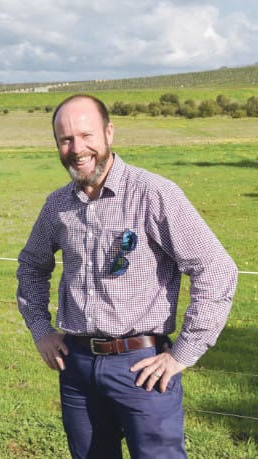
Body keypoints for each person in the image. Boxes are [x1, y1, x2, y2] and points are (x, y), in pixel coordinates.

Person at [16, 94, 238, 458]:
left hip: (142, 369)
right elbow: (31, 266)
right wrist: (40, 329)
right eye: (66, 139)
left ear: (109, 132)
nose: (77, 148)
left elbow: (215, 268)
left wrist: (183, 353)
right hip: (77, 366)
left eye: (86, 135)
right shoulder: (58, 205)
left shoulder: (153, 194)